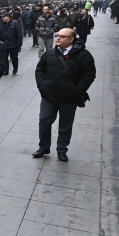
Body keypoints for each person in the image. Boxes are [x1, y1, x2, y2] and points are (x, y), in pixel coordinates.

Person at [33, 27, 97, 162]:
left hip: (69, 98)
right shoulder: (49, 54)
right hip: (49, 96)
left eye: (62, 36)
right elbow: (40, 70)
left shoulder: (83, 55)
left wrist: (77, 90)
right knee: (44, 120)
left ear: (71, 39)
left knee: (65, 124)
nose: (58, 38)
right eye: (57, 36)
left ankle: (62, 150)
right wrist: (42, 86)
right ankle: (43, 147)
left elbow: (89, 75)